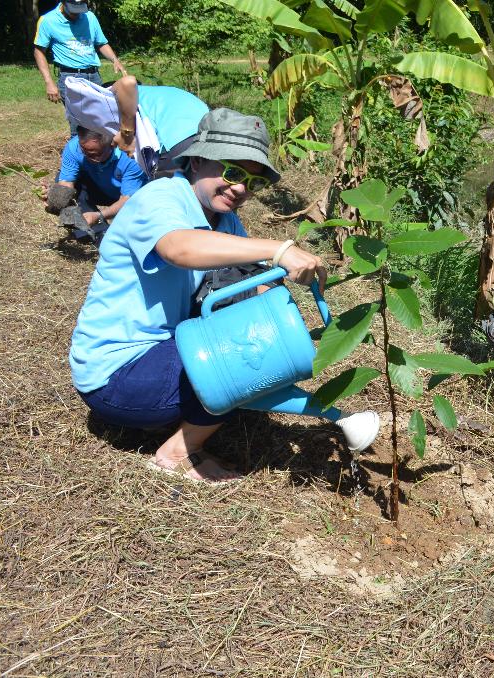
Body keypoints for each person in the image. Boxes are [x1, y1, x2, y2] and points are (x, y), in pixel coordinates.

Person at [69, 108, 324, 484]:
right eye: (233, 172)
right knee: (241, 353)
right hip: (116, 374)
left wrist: (279, 287)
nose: (240, 189)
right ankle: (176, 453)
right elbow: (179, 248)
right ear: (200, 158)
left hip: (161, 350)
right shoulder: (160, 197)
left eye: (252, 183)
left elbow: (245, 282)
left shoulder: (225, 218)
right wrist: (279, 249)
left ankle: (173, 414)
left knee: (260, 334)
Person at [63, 75, 209, 179]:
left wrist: (127, 134)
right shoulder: (148, 96)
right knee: (199, 187)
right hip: (208, 128)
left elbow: (128, 82)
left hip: (176, 136)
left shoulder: (109, 96)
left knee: (164, 193)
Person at [32, 1, 127, 135]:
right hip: (70, 78)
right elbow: (39, 51)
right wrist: (49, 82)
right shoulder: (48, 20)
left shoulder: (90, 17)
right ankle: (76, 154)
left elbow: (101, 43)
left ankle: (100, 154)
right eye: (73, 10)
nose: (77, 14)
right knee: (79, 127)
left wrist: (115, 60)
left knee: (101, 121)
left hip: (94, 76)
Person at [45, 125, 148, 245]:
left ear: (112, 144)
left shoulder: (131, 157)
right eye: (84, 152)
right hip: (99, 188)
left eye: (95, 154)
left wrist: (99, 216)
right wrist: (55, 200)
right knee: (63, 187)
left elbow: (127, 200)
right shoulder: (74, 147)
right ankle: (97, 233)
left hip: (132, 197)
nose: (89, 157)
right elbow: (66, 183)